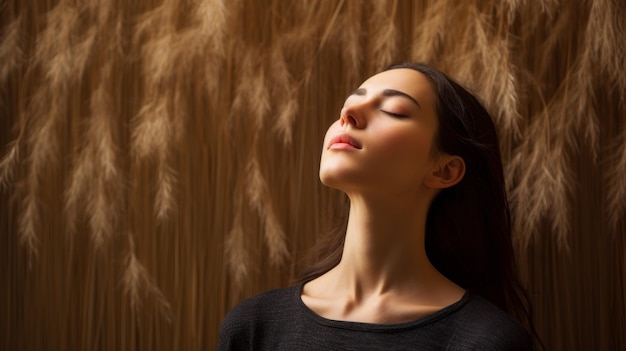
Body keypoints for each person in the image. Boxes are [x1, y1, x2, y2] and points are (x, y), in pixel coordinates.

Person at [217, 62, 536, 350]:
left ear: (444, 170)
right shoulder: (254, 327)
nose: (348, 114)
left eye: (394, 110)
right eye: (349, 103)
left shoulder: (487, 340)